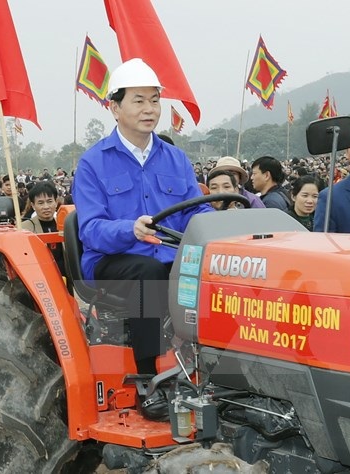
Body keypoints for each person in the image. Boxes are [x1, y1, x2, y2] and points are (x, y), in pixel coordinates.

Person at [72, 58, 212, 373]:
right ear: (115, 108)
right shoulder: (93, 163)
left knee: (217, 269)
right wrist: (130, 229)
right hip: (112, 260)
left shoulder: (176, 158)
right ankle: (149, 375)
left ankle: (217, 368)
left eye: (155, 100)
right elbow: (91, 229)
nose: (149, 109)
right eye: (139, 101)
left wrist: (215, 224)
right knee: (148, 272)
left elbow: (196, 210)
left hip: (170, 255)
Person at [21, 181, 65, 276]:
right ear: (33, 205)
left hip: (66, 275)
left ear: (56, 202)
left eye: (49, 201)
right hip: (39, 276)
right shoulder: (25, 228)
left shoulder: (65, 225)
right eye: (40, 203)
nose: (46, 207)